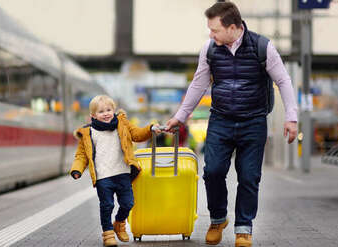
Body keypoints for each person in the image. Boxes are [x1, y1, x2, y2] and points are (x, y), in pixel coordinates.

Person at [165, 2, 298, 247]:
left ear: (233, 27)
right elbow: (198, 84)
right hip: (221, 120)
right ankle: (218, 219)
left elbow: (284, 81)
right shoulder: (210, 49)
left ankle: (243, 229)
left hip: (253, 121)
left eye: (214, 30)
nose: (210, 34)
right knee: (212, 171)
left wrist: (291, 117)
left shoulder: (263, 47)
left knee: (249, 177)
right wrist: (180, 117)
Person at [70, 95, 161, 246]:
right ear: (92, 116)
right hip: (103, 177)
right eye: (101, 111)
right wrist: (77, 169)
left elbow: (137, 134)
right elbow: (81, 155)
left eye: (108, 110)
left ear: (114, 110)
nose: (106, 113)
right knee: (107, 206)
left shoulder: (122, 124)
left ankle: (119, 223)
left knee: (128, 203)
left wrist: (150, 128)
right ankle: (108, 234)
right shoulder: (88, 133)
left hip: (123, 173)